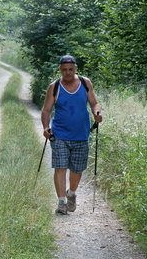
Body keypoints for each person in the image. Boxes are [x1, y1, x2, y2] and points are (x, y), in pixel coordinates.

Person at [41, 55, 102, 215]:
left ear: (75, 68)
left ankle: (71, 193)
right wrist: (46, 127)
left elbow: (94, 102)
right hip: (59, 133)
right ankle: (61, 202)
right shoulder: (54, 86)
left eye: (70, 69)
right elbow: (46, 110)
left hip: (81, 134)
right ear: (60, 70)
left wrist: (97, 112)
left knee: (77, 169)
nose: (67, 73)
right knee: (60, 167)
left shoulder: (85, 83)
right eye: (64, 70)